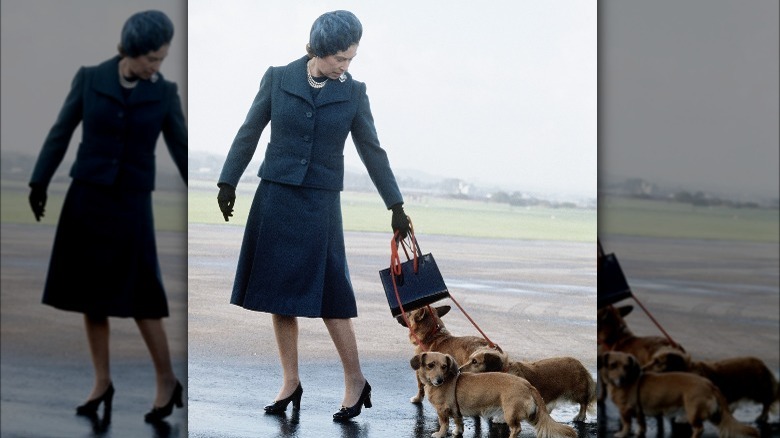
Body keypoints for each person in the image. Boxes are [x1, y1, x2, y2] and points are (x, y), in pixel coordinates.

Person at [216, 10, 411, 421]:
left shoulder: (354, 93)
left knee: (331, 296)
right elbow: (249, 130)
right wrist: (227, 181)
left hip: (320, 204)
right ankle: (290, 381)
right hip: (276, 196)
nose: (345, 66)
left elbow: (372, 150)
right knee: (278, 294)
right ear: (317, 49)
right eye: (340, 58)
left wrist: (395, 205)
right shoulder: (277, 78)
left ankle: (355, 380)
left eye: (351, 59)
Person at [28, 10, 186, 423]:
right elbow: (60, 132)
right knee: (90, 296)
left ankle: (167, 380)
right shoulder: (90, 78)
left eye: (162, 59)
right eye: (151, 59)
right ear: (129, 51)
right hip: (87, 198)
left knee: (143, 297)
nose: (156, 67)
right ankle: (102, 382)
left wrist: (219, 190)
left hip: (132, 204)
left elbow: (181, 150)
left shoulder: (165, 94)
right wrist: (38, 182)